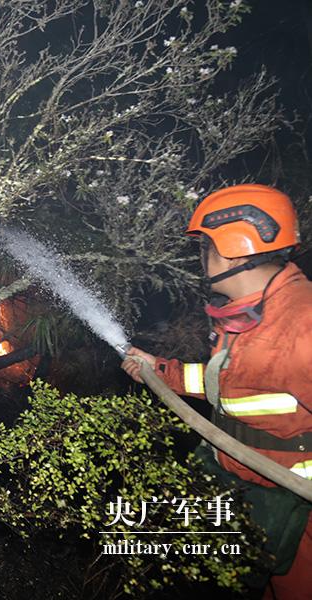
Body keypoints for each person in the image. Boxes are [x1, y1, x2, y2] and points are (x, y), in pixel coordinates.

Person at [122, 184, 311, 600]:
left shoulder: (303, 325)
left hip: (299, 516)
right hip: (254, 496)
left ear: (235, 251)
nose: (202, 259)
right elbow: (230, 385)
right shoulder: (253, 312)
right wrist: (160, 372)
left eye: (205, 247)